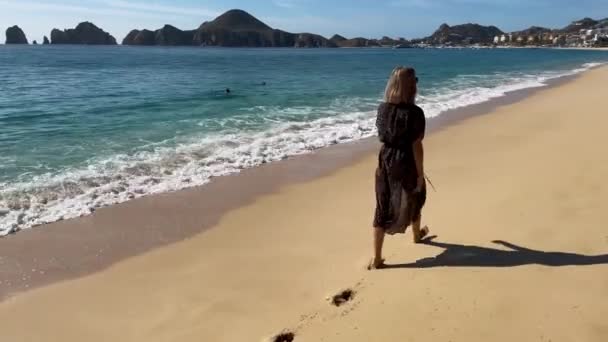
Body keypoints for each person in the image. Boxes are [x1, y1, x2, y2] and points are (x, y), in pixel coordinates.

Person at [371, 66, 429, 269]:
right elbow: (417, 145)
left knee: (383, 203)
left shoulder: (382, 109)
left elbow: (381, 135)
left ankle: (377, 258)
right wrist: (420, 174)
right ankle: (416, 236)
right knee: (416, 195)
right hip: (406, 159)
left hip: (385, 158)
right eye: (416, 81)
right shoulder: (415, 113)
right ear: (410, 86)